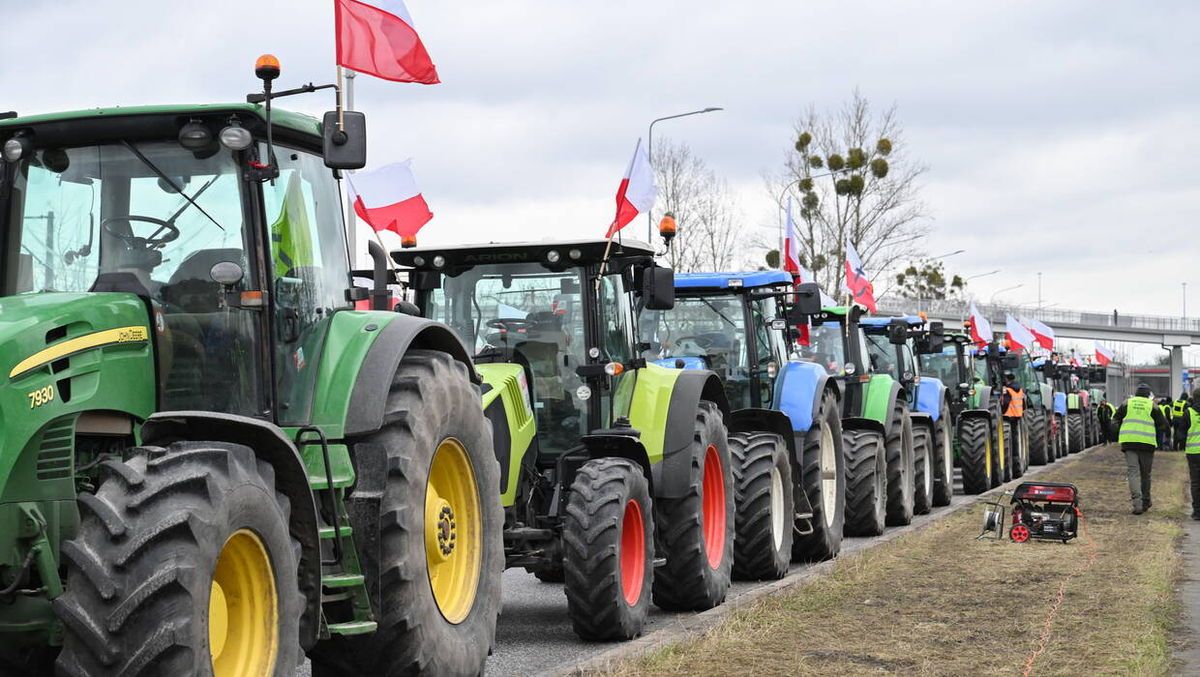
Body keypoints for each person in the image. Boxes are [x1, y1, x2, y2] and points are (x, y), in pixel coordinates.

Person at [1112, 384, 1167, 514]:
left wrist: (1116, 433)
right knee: (1145, 474)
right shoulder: (1152, 405)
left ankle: (1137, 503)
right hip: (1147, 444)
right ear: (1148, 395)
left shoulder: (1127, 403)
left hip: (1129, 442)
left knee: (1133, 472)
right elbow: (1163, 425)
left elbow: (1114, 420)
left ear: (1136, 394)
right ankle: (1146, 501)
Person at [1000, 371, 1025, 467]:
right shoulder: (1019, 389)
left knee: (1010, 439)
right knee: (1014, 438)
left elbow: (1005, 403)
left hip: (1008, 415)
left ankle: (1013, 459)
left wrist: (1001, 412)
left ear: (1007, 379)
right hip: (1017, 415)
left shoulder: (1008, 390)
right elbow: (1023, 403)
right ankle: (1016, 459)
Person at [1184, 387, 1200, 520]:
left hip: (1193, 452)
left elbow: (1181, 433)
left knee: (1195, 482)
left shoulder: (1188, 412)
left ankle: (1197, 511)